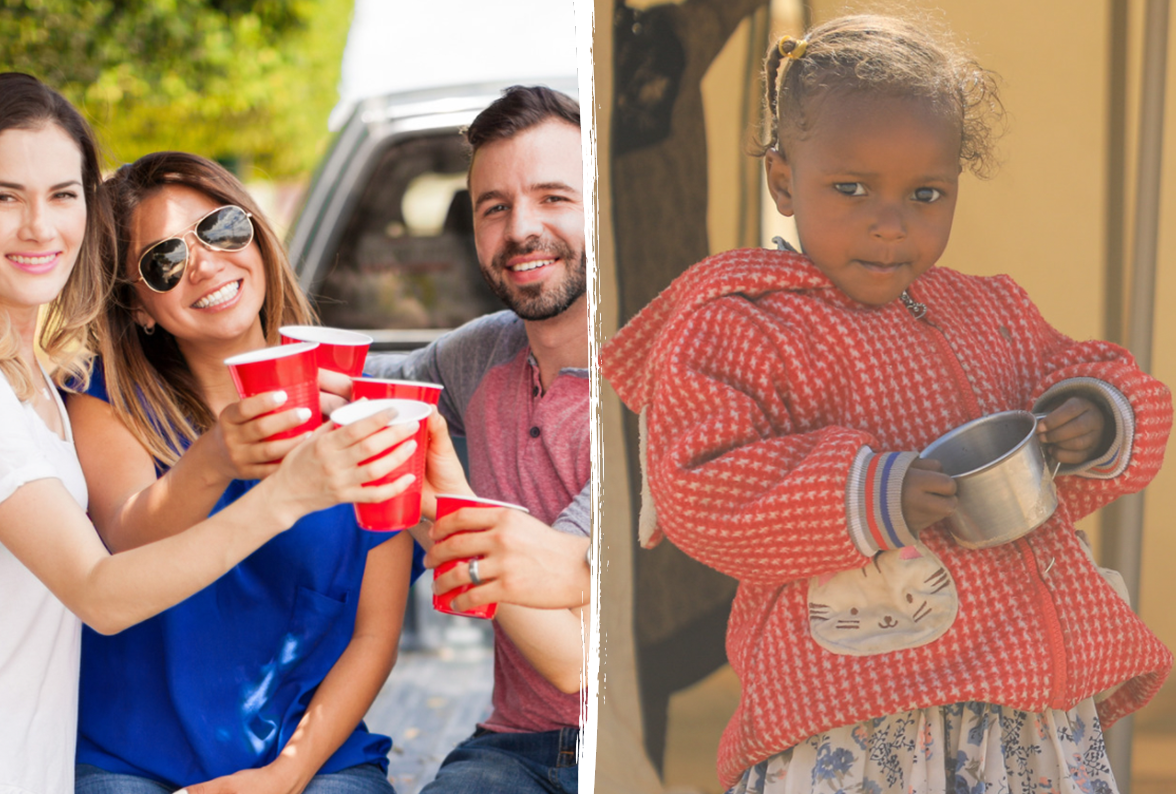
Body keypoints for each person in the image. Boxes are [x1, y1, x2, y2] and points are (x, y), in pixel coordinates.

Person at [600, 15, 1173, 794]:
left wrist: (1098, 415)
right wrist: (869, 491)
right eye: (851, 188)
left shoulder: (988, 312)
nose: (891, 221)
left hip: (1017, 715)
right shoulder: (744, 326)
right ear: (781, 181)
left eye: (926, 193)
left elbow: (1106, 375)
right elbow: (696, 484)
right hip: (856, 725)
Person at [0, 74, 414, 794]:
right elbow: (121, 553)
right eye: (165, 261)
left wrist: (283, 776)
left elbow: (377, 633)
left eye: (221, 229)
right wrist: (223, 459)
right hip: (129, 756)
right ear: (142, 309)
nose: (207, 264)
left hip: (310, 759)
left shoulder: (361, 400)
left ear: (255, 230)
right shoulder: (96, 401)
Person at [328, 84, 590, 793]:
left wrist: (426, 495)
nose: (520, 230)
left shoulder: (663, 384)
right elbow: (344, 382)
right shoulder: (479, 355)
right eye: (494, 207)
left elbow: (571, 656)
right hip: (517, 746)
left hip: (642, 746)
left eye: (554, 198)